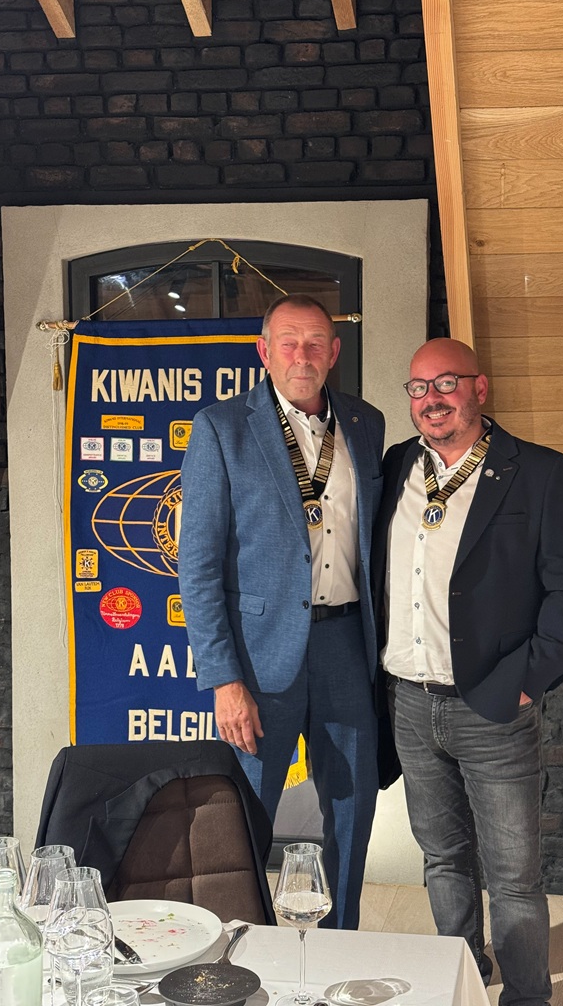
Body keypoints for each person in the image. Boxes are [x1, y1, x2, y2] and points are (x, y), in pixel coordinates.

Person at [372, 337, 563, 1004]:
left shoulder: (538, 472)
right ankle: (463, 977)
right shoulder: (395, 466)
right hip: (410, 702)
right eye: (418, 388)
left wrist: (527, 680)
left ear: (479, 388)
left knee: (514, 875)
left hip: (493, 703)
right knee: (442, 857)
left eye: (446, 383)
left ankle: (527, 997)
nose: (431, 399)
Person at [178, 293, 385, 930]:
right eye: (288, 343)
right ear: (263, 352)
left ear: (335, 352)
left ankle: (341, 939)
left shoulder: (366, 423)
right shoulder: (221, 428)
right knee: (247, 813)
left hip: (347, 644)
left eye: (316, 342)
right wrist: (224, 680)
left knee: (352, 809)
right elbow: (198, 566)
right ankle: (239, 944)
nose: (303, 355)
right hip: (258, 657)